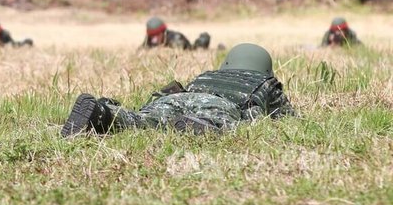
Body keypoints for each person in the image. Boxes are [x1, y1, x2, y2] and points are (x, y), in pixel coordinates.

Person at [61, 43, 295, 137]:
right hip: (219, 105)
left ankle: (105, 114)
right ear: (265, 68)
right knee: (219, 121)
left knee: (145, 120)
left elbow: (180, 90)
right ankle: (201, 124)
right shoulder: (265, 82)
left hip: (179, 97)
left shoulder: (209, 75)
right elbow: (286, 116)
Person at [141, 17, 210, 50]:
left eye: (156, 35)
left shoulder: (175, 38)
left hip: (191, 48)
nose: (154, 39)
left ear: (163, 32)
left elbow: (178, 51)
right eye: (152, 35)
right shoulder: (150, 38)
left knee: (199, 46)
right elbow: (142, 48)